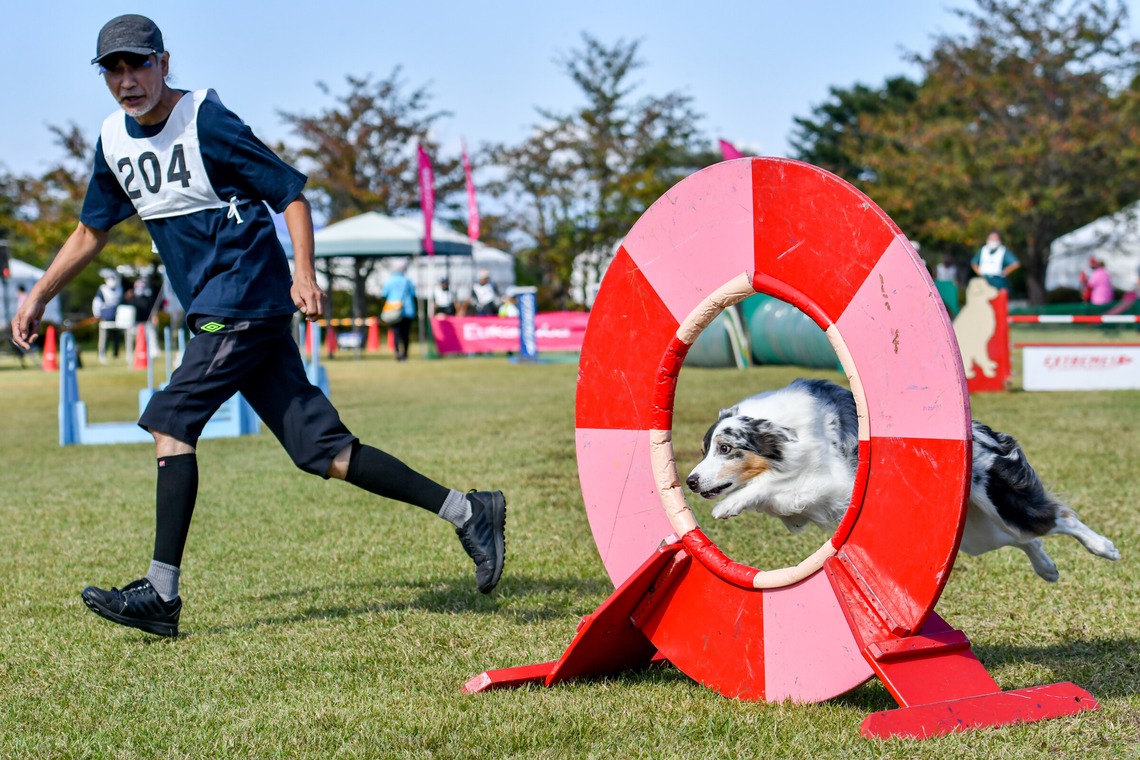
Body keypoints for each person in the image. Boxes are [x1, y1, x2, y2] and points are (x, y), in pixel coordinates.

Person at [11, 14, 506, 638]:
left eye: (138, 64)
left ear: (165, 62)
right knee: (323, 453)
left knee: (171, 417)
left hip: (244, 302)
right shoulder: (115, 141)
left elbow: (291, 195)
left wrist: (304, 272)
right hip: (227, 310)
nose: (127, 80)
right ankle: (469, 510)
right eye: (113, 68)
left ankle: (161, 593)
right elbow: (91, 231)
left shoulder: (207, 122)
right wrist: (38, 295)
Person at [381, 261, 416, 361]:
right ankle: (405, 354)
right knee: (405, 334)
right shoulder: (408, 281)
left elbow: (384, 294)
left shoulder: (390, 281)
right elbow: (413, 294)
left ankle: (397, 353)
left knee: (396, 333)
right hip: (407, 311)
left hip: (393, 311)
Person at [92, 269, 123, 363]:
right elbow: (96, 303)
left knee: (117, 337)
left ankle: (115, 354)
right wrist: (96, 314)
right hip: (105, 317)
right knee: (104, 338)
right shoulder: (102, 289)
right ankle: (102, 354)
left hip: (117, 317)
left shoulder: (119, 288)